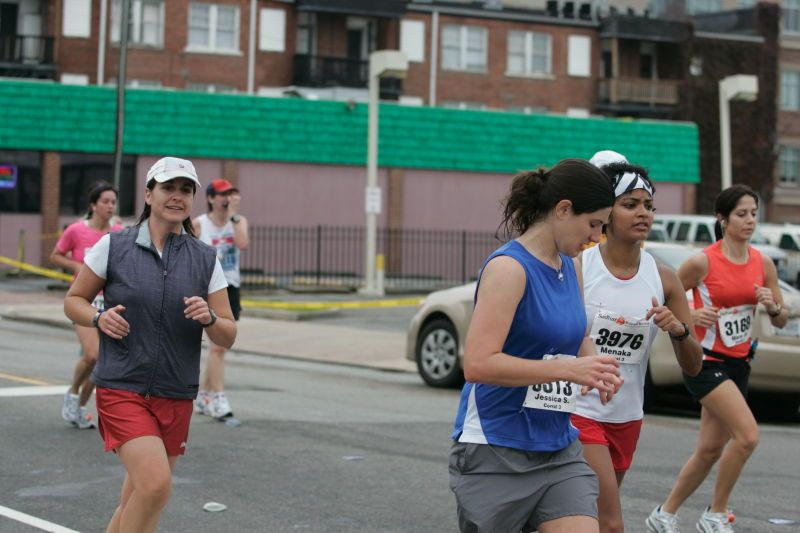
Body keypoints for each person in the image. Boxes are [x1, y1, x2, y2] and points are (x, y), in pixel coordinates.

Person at [449, 158, 624, 533]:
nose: (597, 237)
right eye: (593, 224)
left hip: (558, 448)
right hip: (496, 448)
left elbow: (577, 334)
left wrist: (596, 367)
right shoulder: (509, 269)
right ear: (563, 209)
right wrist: (567, 369)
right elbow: (479, 364)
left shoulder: (570, 264)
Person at [64, 157, 237, 533]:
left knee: (138, 499)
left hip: (175, 392)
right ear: (148, 193)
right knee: (156, 486)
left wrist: (208, 316)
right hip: (122, 385)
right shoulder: (115, 245)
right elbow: (73, 301)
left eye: (185, 190)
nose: (177, 196)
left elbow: (228, 332)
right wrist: (98, 317)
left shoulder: (205, 259)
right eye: (168, 188)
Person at [571, 153, 702, 533]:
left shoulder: (664, 278)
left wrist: (677, 330)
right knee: (611, 524)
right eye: (630, 205)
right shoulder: (580, 267)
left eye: (648, 205)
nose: (643, 213)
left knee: (588, 519)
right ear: (607, 213)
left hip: (627, 416)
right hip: (580, 410)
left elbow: (694, 366)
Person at [646, 185, 788, 533]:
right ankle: (716, 513)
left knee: (710, 449)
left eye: (754, 213)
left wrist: (772, 306)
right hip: (705, 360)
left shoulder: (762, 263)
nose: (750, 221)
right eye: (742, 214)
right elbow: (663, 303)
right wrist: (692, 316)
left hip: (739, 363)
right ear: (722, 219)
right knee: (748, 436)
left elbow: (780, 317)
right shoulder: (702, 261)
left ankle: (664, 513)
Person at [53, 182, 123, 429]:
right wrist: (76, 266)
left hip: (110, 303)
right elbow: (56, 255)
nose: (109, 206)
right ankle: (72, 393)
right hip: (84, 301)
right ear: (93, 205)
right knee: (93, 354)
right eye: (105, 201)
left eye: (113, 202)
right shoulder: (75, 230)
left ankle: (80, 406)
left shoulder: (118, 232)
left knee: (102, 361)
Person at [193, 178, 249, 420]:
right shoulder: (199, 224)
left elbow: (242, 243)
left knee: (219, 346)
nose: (227, 199)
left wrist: (235, 217)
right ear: (210, 198)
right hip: (207, 288)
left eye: (230, 194)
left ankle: (204, 395)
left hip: (230, 287)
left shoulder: (239, 221)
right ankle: (218, 398)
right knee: (217, 347)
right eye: (222, 195)